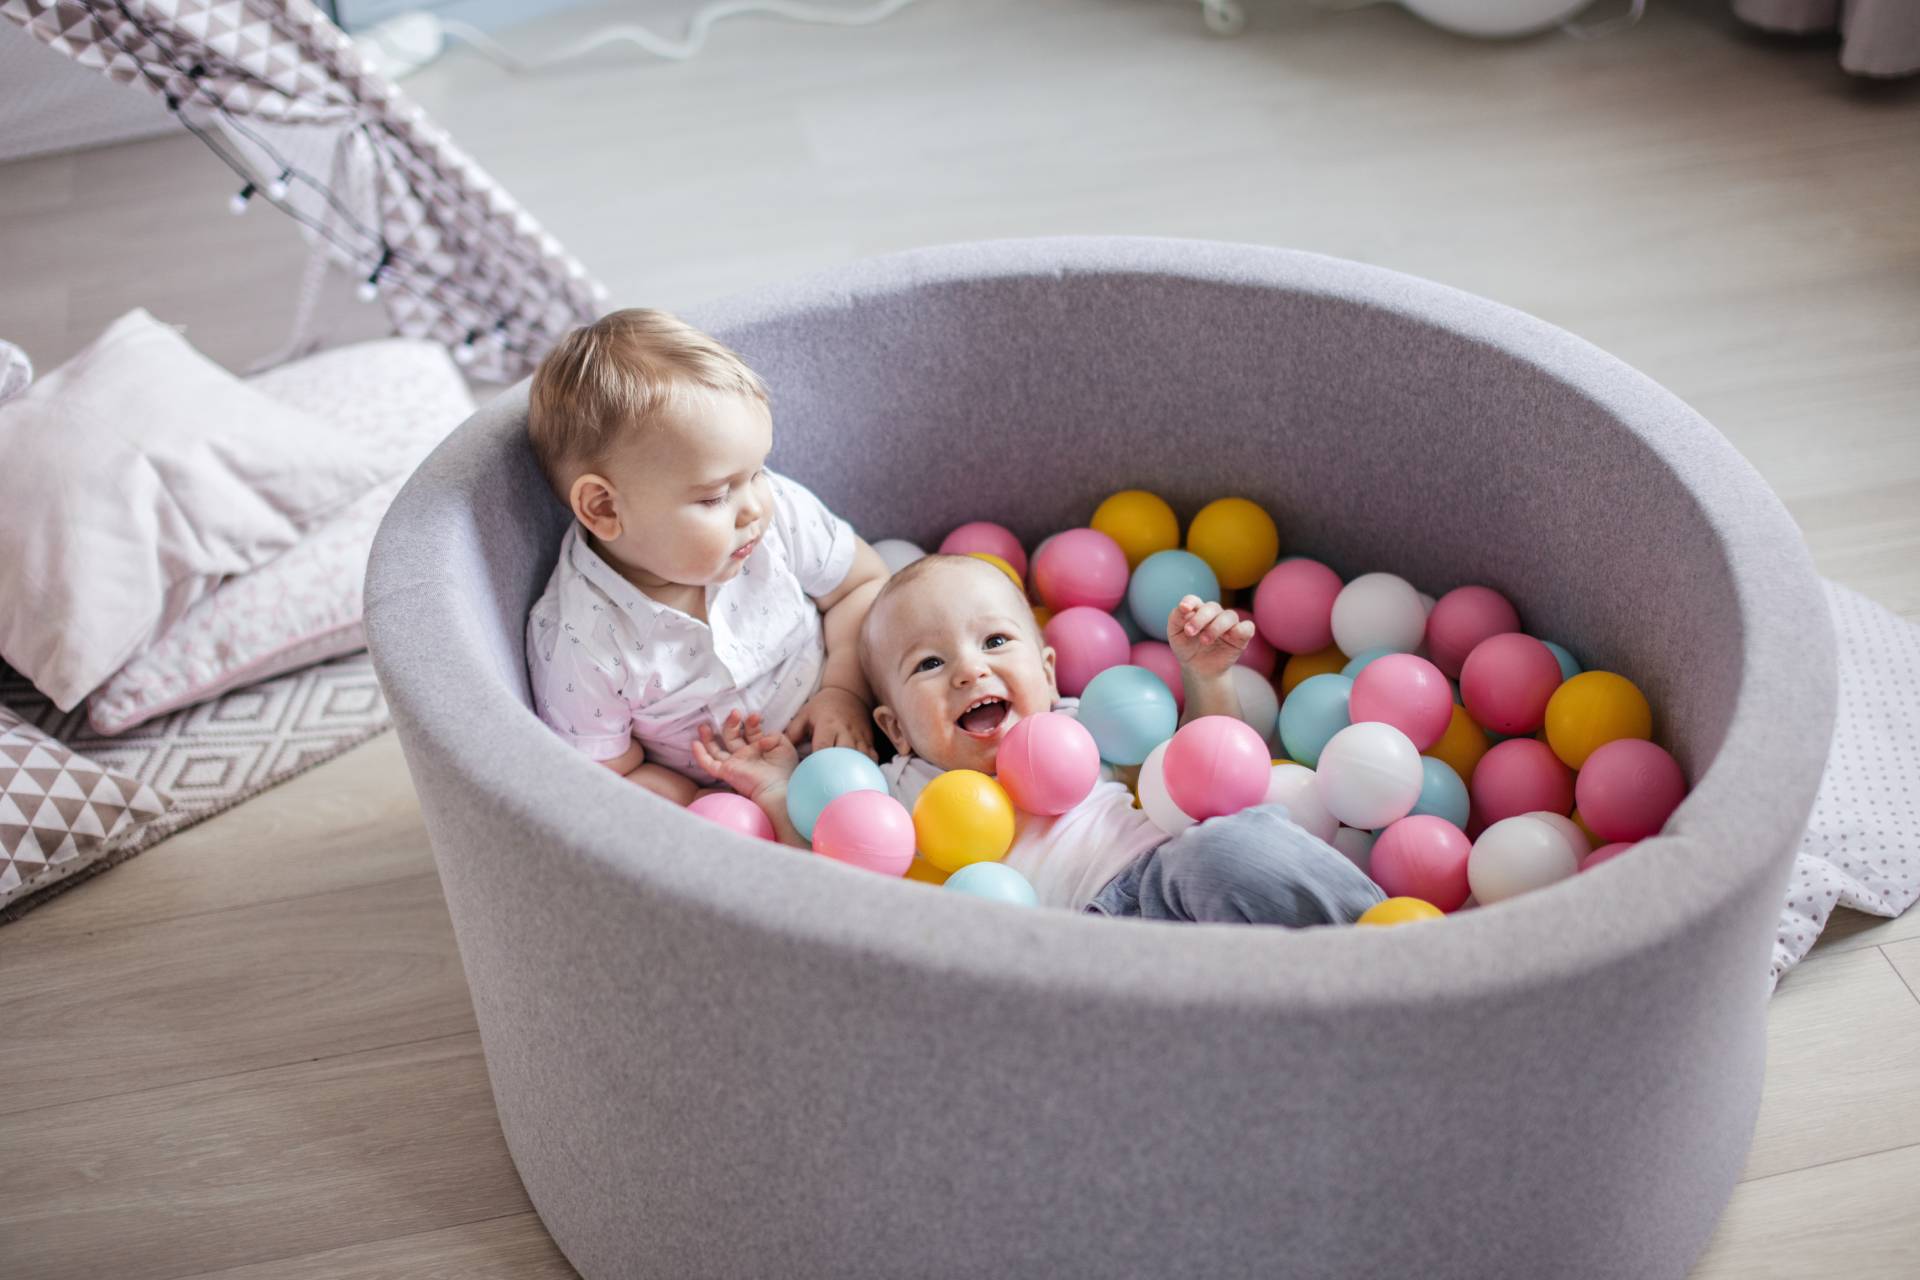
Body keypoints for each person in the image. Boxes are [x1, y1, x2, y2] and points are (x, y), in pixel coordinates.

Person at [696, 554, 1382, 925]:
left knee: (1229, 849)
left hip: (1161, 885)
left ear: (1049, 676)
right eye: (929, 665)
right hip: (1058, 963)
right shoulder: (899, 792)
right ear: (895, 729)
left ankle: (1393, 959)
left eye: (996, 641)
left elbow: (1208, 772)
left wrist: (1206, 676)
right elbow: (833, 863)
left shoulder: (1089, 723)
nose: (970, 669)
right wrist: (783, 791)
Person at [524, 308, 888, 805]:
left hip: (864, 706)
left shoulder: (776, 515)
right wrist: (719, 804)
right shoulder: (581, 643)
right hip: (736, 800)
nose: (756, 507)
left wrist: (845, 692)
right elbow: (611, 776)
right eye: (716, 496)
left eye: (758, 471)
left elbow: (861, 586)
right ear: (604, 507)